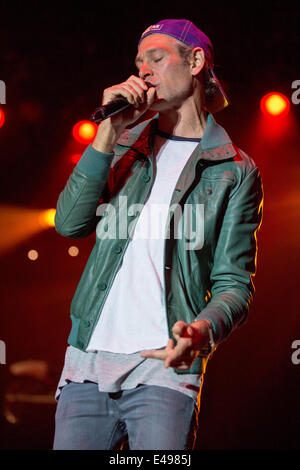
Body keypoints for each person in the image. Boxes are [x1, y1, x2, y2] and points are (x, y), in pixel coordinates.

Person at [53, 19, 263, 450]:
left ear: (196, 61)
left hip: (162, 373)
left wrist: (201, 331)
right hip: (86, 365)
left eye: (157, 57)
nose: (143, 71)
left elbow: (234, 284)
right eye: (138, 62)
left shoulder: (234, 170)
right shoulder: (124, 145)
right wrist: (107, 134)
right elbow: (69, 223)